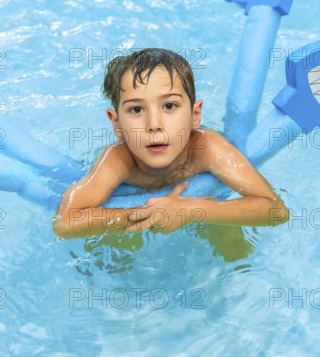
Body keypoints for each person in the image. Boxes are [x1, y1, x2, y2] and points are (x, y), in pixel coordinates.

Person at [53, 48, 289, 239]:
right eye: (136, 109)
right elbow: (66, 222)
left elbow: (275, 210)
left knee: (229, 237)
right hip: (135, 200)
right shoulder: (118, 158)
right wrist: (148, 215)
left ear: (195, 115)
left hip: (200, 201)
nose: (154, 124)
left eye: (169, 106)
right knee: (115, 249)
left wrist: (189, 211)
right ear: (116, 123)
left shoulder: (206, 147)